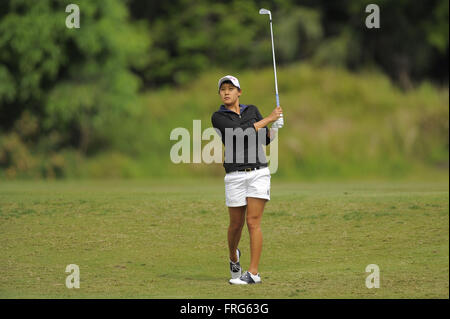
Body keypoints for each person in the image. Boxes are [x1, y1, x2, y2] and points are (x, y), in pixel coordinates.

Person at [211, 75, 283, 284]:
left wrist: (276, 127)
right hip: (234, 175)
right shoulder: (218, 116)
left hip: (258, 172)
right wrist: (269, 119)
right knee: (236, 225)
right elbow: (237, 134)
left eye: (231, 88)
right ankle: (234, 256)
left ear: (239, 92)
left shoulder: (252, 110)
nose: (226, 92)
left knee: (253, 222)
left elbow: (265, 139)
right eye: (223, 89)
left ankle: (253, 273)